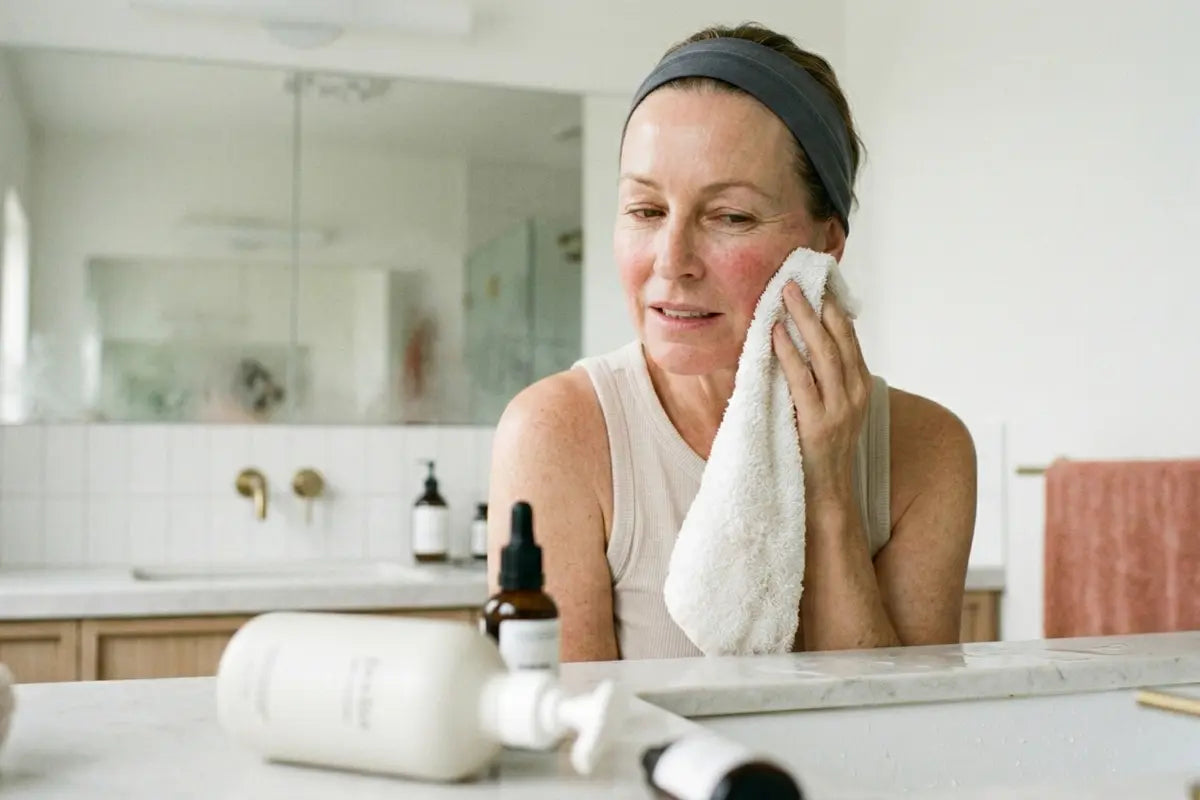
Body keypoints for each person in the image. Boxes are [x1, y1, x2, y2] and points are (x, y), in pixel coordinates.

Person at [487, 23, 977, 661]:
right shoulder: (558, 435)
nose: (672, 261)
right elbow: (571, 742)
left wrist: (829, 488)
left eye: (731, 216)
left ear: (824, 246)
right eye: (645, 210)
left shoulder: (928, 452)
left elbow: (900, 732)